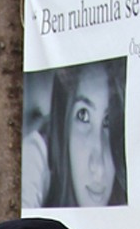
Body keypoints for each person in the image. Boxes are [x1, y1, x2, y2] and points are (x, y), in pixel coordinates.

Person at [22, 60, 128, 210]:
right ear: (63, 122)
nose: (98, 166)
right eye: (83, 115)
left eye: (108, 120)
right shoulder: (38, 153)